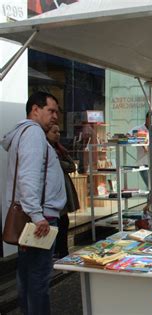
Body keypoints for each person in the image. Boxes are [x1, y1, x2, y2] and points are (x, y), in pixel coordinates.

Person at [1, 91, 66, 315]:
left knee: (29, 276)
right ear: (35, 110)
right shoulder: (33, 134)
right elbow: (28, 178)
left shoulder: (28, 133)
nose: (55, 116)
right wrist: (38, 216)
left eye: (57, 111)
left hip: (36, 215)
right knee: (37, 279)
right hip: (40, 219)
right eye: (51, 111)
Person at [46, 124, 80, 258]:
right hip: (53, 191)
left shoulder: (60, 149)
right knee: (59, 222)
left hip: (64, 188)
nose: (57, 134)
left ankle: (63, 252)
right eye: (54, 132)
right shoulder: (46, 149)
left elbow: (72, 166)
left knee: (64, 222)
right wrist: (58, 163)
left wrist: (58, 163)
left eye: (59, 132)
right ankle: (58, 252)